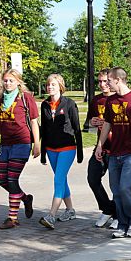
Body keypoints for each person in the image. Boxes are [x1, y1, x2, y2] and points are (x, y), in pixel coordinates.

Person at [95, 67, 131, 238]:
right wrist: (100, 145)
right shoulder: (111, 101)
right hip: (114, 152)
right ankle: (122, 222)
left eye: (109, 81)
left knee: (127, 187)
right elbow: (107, 124)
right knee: (117, 190)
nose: (107, 84)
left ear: (118, 80)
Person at [0, 69, 40, 229]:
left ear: (18, 82)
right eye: (6, 80)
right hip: (5, 145)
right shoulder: (0, 100)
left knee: (12, 180)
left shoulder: (26, 98)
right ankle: (25, 198)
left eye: (11, 81)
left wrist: (37, 143)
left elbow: (34, 122)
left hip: (22, 143)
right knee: (3, 180)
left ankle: (12, 218)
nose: (8, 83)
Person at [38, 74, 83, 230]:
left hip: (67, 147)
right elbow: (43, 129)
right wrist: (42, 152)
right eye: (48, 84)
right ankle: (70, 210)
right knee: (61, 180)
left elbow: (77, 128)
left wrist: (80, 152)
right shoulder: (44, 105)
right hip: (51, 148)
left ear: (60, 86)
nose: (50, 87)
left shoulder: (69, 104)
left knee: (58, 179)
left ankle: (51, 215)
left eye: (54, 84)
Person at [86, 69, 118, 229]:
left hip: (118, 148)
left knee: (117, 185)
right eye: (99, 81)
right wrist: (93, 122)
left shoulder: (119, 99)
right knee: (92, 178)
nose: (102, 84)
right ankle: (108, 209)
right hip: (101, 147)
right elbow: (90, 122)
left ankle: (119, 214)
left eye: (105, 81)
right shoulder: (96, 100)